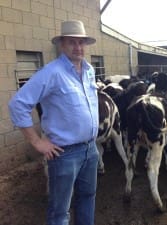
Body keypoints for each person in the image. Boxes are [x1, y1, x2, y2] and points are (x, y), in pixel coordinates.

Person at [8, 20, 99, 225]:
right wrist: (37, 142)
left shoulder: (89, 71)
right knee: (60, 212)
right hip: (65, 153)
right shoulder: (51, 72)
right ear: (62, 45)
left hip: (91, 149)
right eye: (72, 42)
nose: (78, 47)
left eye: (81, 42)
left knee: (87, 198)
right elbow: (17, 104)